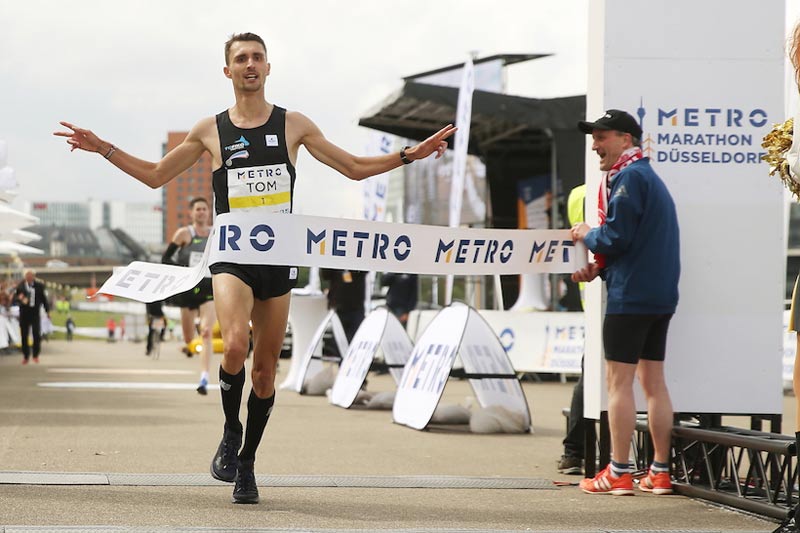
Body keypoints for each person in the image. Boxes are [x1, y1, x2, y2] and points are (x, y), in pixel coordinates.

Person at [54, 32, 455, 505]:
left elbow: (351, 168)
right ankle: (229, 429)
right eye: (240, 58)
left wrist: (412, 154)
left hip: (278, 259)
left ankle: (246, 462)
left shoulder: (293, 125)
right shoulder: (209, 130)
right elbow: (156, 175)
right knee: (236, 344)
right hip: (231, 256)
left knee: (265, 373)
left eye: (257, 57)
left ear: (268, 68)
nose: (250, 64)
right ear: (227, 71)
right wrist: (103, 147)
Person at [570, 109, 679, 496]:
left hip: (630, 296)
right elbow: (631, 243)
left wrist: (587, 234)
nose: (596, 145)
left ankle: (619, 471)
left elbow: (616, 239)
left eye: (602, 137)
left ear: (626, 139)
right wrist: (598, 267)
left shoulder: (629, 177)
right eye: (594, 138)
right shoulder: (645, 175)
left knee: (618, 383)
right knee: (653, 383)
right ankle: (660, 471)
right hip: (659, 295)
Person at [162, 197, 217, 394]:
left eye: (204, 209)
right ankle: (190, 341)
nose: (202, 212)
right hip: (187, 288)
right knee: (188, 337)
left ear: (209, 212)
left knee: (207, 332)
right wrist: (183, 271)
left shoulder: (216, 233)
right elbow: (166, 258)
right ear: (191, 213)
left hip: (208, 287)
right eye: (198, 209)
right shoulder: (184, 234)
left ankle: (204, 377)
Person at [557, 183, 586, 476]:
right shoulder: (594, 191)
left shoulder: (576, 193)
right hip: (604, 289)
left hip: (589, 290)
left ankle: (574, 453)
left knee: (589, 378)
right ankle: (575, 451)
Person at [320, 268, 367, 344]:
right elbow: (325, 275)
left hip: (355, 306)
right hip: (338, 306)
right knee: (338, 341)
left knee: (355, 339)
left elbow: (365, 270)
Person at [13, 269, 50, 364]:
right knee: (24, 335)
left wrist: (47, 311)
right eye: (27, 275)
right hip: (24, 313)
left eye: (31, 275)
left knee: (36, 334)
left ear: (33, 276)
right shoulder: (20, 286)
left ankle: (35, 355)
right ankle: (25, 356)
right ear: (25, 276)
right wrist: (20, 299)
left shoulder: (39, 286)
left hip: (35, 313)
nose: (29, 277)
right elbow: (15, 299)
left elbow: (43, 299)